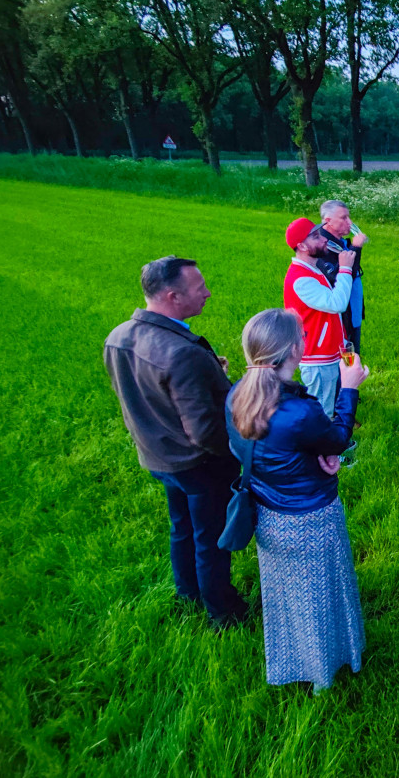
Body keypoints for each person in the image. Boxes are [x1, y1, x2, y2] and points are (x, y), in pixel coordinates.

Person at [226, 308, 369, 690]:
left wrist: (311, 457)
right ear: (293, 350)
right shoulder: (298, 411)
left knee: (288, 594)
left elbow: (265, 449)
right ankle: (324, 671)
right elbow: (337, 439)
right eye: (302, 335)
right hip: (310, 519)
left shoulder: (237, 395)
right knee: (321, 594)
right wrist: (349, 387)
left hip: (268, 516)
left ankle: (290, 657)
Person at [103, 256, 248, 629]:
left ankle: (187, 594)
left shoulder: (118, 336)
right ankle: (223, 612)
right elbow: (205, 431)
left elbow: (144, 393)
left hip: (158, 456)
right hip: (199, 463)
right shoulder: (182, 352)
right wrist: (238, 452)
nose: (207, 293)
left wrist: (211, 374)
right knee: (211, 540)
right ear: (173, 296)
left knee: (181, 528)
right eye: (200, 288)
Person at [283, 217, 356, 418]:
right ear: (302, 246)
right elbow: (337, 304)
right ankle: (330, 437)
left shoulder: (311, 269)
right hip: (317, 356)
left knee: (332, 399)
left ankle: (339, 428)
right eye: (315, 236)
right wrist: (345, 269)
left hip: (331, 349)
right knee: (322, 411)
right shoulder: (301, 279)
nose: (324, 239)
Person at [317, 200, 368, 352]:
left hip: (352, 312)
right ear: (328, 221)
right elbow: (340, 276)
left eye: (348, 217)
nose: (350, 222)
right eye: (344, 218)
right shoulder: (323, 247)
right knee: (347, 356)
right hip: (340, 317)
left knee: (353, 355)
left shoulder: (340, 243)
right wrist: (356, 248)